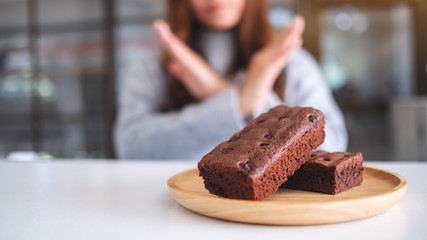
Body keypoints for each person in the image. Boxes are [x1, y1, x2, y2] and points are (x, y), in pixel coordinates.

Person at [114, 0, 348, 160]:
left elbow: (330, 147)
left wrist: (225, 92)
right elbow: (130, 146)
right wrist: (239, 101)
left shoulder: (291, 62)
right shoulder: (151, 67)